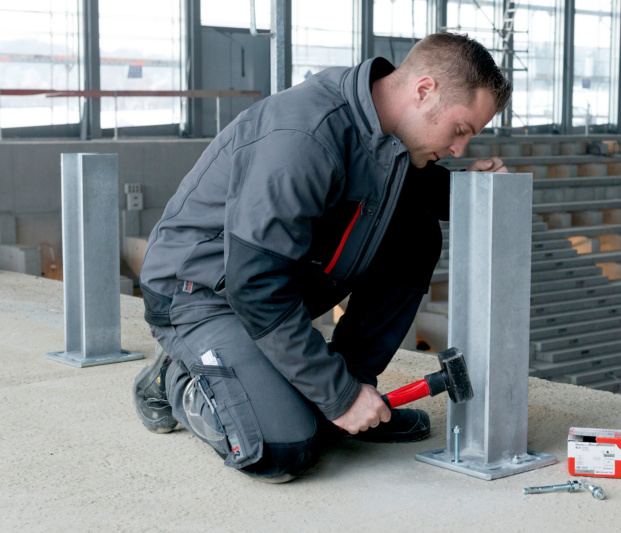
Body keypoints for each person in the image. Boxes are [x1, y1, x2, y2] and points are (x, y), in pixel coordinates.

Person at [132, 32, 511, 483]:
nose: (459, 149)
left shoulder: (383, 130)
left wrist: (471, 187)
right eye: (461, 130)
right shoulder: (305, 135)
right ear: (424, 90)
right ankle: (177, 376)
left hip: (274, 284)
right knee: (283, 448)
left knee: (416, 230)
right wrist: (337, 395)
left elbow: (393, 188)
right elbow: (255, 285)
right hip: (201, 293)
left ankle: (348, 390)